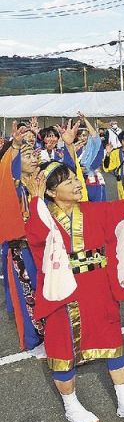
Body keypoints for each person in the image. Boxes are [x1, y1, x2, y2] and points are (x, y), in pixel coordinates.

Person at [26, 159, 124, 422]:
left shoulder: (94, 210)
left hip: (98, 286)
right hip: (64, 291)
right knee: (62, 349)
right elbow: (37, 236)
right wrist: (36, 202)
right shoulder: (44, 216)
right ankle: (71, 407)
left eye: (76, 177)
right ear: (50, 192)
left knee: (113, 340)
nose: (76, 183)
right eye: (67, 180)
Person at [0, 121, 44, 352]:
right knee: (29, 292)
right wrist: (15, 145)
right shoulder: (13, 185)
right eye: (27, 156)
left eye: (34, 154)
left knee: (50, 288)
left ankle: (56, 331)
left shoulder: (42, 181)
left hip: (45, 247)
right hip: (22, 249)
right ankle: (35, 337)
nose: (33, 159)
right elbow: (7, 169)